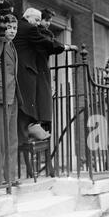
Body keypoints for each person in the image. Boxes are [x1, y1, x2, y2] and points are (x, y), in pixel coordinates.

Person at [13, 8, 72, 144]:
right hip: (25, 71)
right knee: (27, 104)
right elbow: (48, 44)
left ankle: (29, 131)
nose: (38, 24)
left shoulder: (19, 26)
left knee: (24, 106)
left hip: (16, 68)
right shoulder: (29, 28)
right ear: (27, 16)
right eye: (37, 20)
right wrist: (65, 47)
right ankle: (29, 131)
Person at [36, 8, 77, 133]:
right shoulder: (39, 33)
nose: (48, 23)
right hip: (38, 69)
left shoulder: (45, 33)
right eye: (46, 20)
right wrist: (68, 47)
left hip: (43, 69)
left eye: (50, 21)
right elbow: (51, 44)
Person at [0, 14, 23, 185]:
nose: (12, 31)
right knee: (0, 139)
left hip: (12, 95)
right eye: (9, 28)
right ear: (3, 28)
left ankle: (10, 178)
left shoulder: (12, 46)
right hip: (1, 96)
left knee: (12, 139)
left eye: (14, 28)